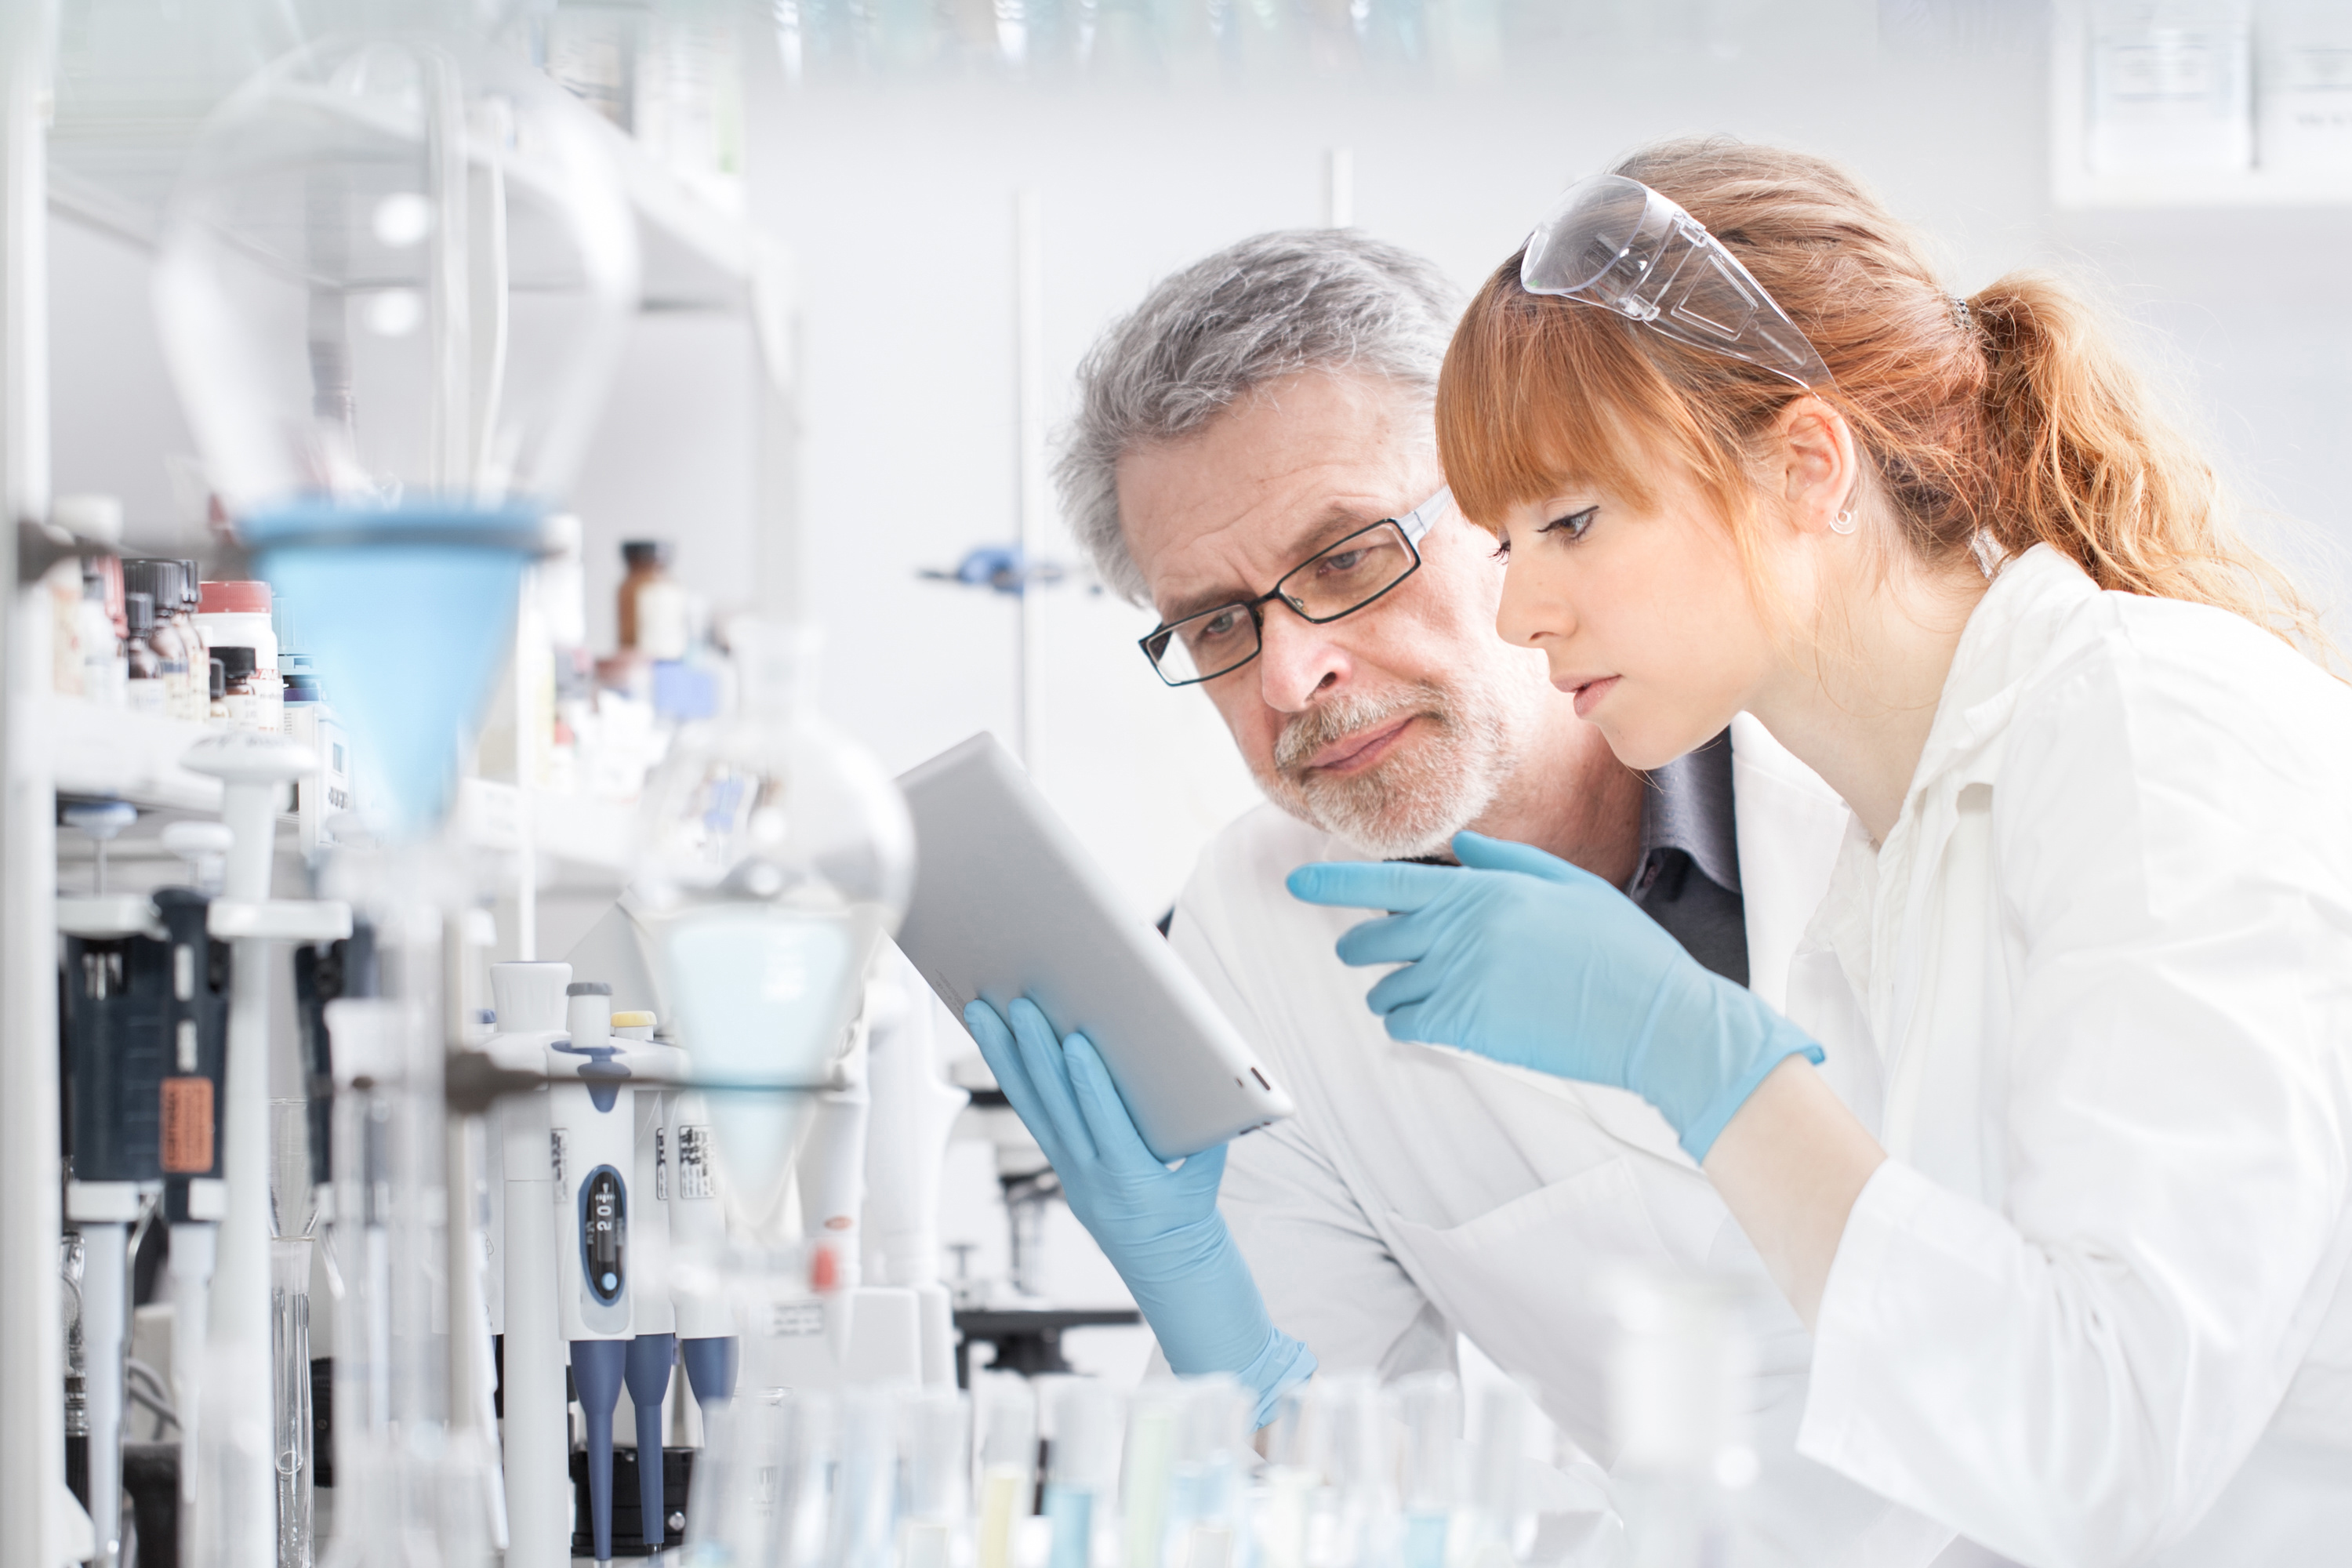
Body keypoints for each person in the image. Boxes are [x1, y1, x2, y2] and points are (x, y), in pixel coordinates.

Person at [1287, 138, 2352, 1565]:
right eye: (1504, 541)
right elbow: (1936, 1477)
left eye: (1574, 522)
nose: (1522, 611)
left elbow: (2108, 1446)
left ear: (1805, 464)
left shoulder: (2149, 739)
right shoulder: (1891, 861)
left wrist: (1701, 1061)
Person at [962, 229, 1958, 1563]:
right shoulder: (1260, 935)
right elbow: (1355, 1509)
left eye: (1344, 559)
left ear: (1508, 500)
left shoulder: (1861, 760)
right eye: (1213, 623)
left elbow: (2120, 1348)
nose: (1287, 678)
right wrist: (1222, 1336)